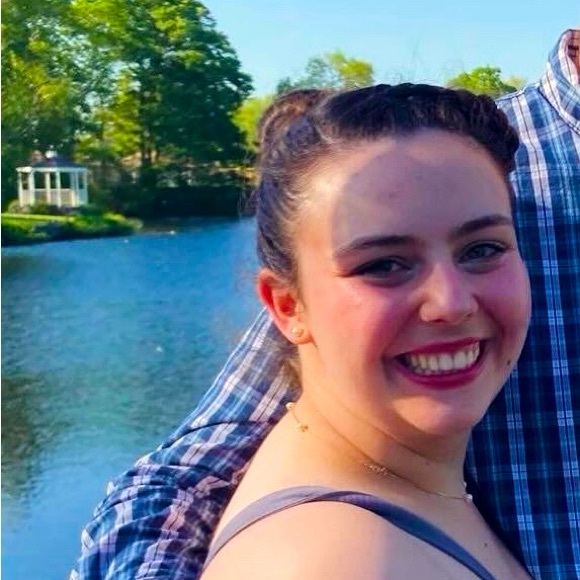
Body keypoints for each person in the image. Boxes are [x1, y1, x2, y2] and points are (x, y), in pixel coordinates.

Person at [72, 29, 579, 579]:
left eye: (482, 250)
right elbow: (185, 480)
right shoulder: (330, 557)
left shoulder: (423, 496)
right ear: (286, 306)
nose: (450, 303)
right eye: (384, 264)